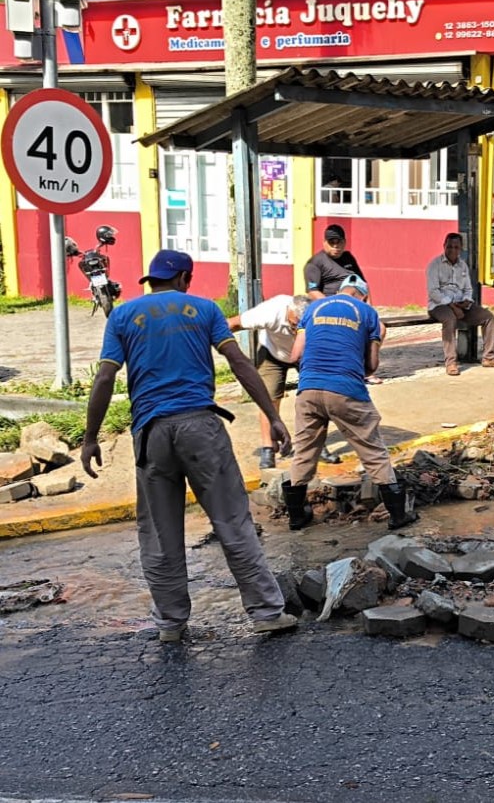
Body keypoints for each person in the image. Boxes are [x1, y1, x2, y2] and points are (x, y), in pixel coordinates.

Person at [79, 250, 298, 643]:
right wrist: (274, 416)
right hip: (201, 427)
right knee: (232, 520)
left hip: (151, 432)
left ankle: (171, 623)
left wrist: (91, 437)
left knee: (159, 532)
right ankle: (266, 613)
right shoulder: (205, 309)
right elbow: (240, 364)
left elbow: (105, 378)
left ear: (152, 281)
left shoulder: (122, 316)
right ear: (184, 279)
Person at [283, 274, 413, 531]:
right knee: (373, 450)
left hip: (308, 389)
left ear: (341, 291)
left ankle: (296, 516)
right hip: (346, 390)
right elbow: (371, 366)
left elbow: (295, 355)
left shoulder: (313, 309)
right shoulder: (368, 313)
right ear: (363, 296)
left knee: (304, 452)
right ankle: (398, 515)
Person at [227, 294, 311, 470]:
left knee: (314, 398)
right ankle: (268, 447)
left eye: (301, 327)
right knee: (268, 400)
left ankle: (315, 445)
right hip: (272, 353)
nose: (296, 330)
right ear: (289, 312)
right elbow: (232, 323)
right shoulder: (271, 311)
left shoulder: (316, 316)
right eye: (293, 325)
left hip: (304, 355)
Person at [304, 222, 383, 390]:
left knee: (379, 329)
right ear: (324, 242)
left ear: (344, 242)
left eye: (338, 242)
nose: (335, 246)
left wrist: (370, 309)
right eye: (331, 242)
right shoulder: (315, 263)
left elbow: (363, 284)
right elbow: (312, 292)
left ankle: (366, 370)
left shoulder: (348, 258)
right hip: (333, 308)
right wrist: (333, 306)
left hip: (358, 306)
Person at [426, 232, 494, 376]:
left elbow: (467, 289)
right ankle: (451, 362)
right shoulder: (434, 265)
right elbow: (433, 292)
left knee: (487, 317)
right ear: (444, 246)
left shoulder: (462, 266)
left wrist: (466, 301)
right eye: (449, 247)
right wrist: (452, 306)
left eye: (456, 247)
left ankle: (489, 357)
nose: (452, 250)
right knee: (450, 319)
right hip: (439, 305)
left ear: (461, 249)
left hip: (460, 305)